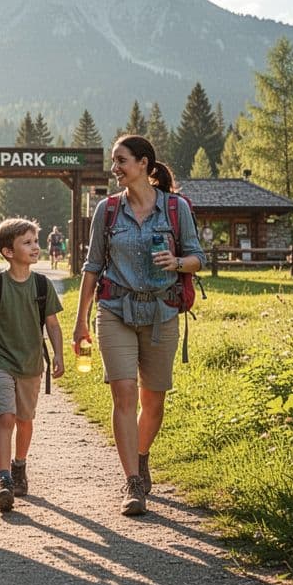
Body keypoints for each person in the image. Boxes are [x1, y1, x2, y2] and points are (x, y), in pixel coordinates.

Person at [72, 134, 205, 516]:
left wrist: (177, 263)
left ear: (144, 163)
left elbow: (197, 257)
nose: (115, 168)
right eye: (114, 161)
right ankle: (132, 480)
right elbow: (92, 266)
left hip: (162, 312)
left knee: (154, 399)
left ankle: (141, 455)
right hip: (115, 310)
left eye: (122, 161)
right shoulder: (108, 210)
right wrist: (81, 321)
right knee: (124, 394)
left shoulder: (176, 208)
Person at [0, 218, 65, 512]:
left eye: (35, 241)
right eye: (27, 242)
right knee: (5, 418)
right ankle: (4, 479)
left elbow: (53, 325)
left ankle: (19, 464)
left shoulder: (42, 285)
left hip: (32, 363)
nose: (35, 247)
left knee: (25, 420)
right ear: (8, 252)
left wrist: (58, 354)